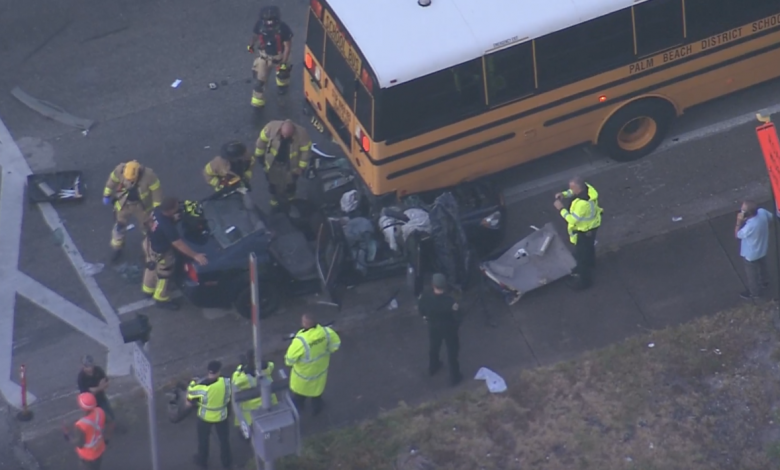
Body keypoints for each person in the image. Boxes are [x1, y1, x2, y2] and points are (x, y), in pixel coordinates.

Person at [142, 196, 208, 310]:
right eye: (176, 207)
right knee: (164, 273)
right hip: (162, 252)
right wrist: (195, 255)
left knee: (151, 267)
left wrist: (172, 219)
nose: (178, 208)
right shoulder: (167, 228)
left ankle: (148, 289)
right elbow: (179, 244)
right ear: (170, 210)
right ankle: (161, 298)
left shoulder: (156, 211)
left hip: (150, 244)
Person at [102, 160, 162, 262]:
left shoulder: (149, 176)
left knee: (147, 228)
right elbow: (111, 182)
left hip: (142, 207)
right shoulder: (120, 170)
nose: (129, 182)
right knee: (119, 227)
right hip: (123, 204)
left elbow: (157, 192)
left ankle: (148, 250)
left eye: (132, 180)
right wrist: (106, 194)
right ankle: (117, 248)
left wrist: (157, 208)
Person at [285, 313, 341, 416]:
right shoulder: (326, 332)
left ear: (305, 324)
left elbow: (289, 360)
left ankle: (298, 411)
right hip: (320, 373)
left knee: (299, 397)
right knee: (317, 395)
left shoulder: (300, 341)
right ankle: (317, 411)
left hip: (303, 378)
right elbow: (336, 344)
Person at [554, 176, 603, 290]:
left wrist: (561, 209)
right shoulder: (587, 188)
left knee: (581, 257)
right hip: (592, 227)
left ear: (579, 189)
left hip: (584, 231)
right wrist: (564, 194)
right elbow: (572, 191)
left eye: (572, 188)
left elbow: (572, 220)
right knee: (589, 248)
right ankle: (591, 263)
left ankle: (584, 281)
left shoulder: (582, 205)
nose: (570, 190)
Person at [255, 119, 312, 210]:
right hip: (273, 163)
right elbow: (261, 142)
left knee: (290, 183)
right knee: (272, 181)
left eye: (288, 135)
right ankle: (274, 198)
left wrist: (301, 167)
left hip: (291, 165)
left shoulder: (302, 134)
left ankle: (290, 199)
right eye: (284, 135)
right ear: (280, 129)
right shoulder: (270, 128)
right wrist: (260, 156)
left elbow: (305, 152)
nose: (285, 137)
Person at [418, 273, 463, 386]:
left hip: (433, 327)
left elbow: (421, 309)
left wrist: (425, 316)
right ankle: (455, 377)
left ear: (433, 285)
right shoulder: (450, 301)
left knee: (434, 347)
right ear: (445, 285)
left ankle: (433, 367)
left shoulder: (425, 296)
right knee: (452, 352)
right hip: (449, 329)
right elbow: (458, 315)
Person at [187, 361, 233, 470]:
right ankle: (227, 463)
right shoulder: (226, 383)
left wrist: (193, 383)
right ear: (218, 371)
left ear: (208, 372)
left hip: (205, 417)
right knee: (224, 441)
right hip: (221, 417)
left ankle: (202, 461)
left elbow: (190, 393)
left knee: (203, 441)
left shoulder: (203, 389)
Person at [247, 6, 293, 108]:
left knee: (283, 74)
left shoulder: (283, 28)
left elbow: (287, 46)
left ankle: (282, 86)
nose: (269, 23)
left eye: (272, 20)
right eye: (267, 20)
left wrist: (284, 63)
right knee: (259, 82)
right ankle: (258, 101)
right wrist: (250, 45)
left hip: (279, 56)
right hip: (264, 57)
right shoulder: (259, 25)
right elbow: (255, 36)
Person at [231, 349, 277, 433]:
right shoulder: (267, 369)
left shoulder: (241, 379)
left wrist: (240, 369)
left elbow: (235, 382)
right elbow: (270, 365)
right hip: (269, 405)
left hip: (251, 415)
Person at [735, 200, 773, 300]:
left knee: (751, 274)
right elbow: (770, 218)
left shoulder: (749, 227)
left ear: (748, 213)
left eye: (742, 210)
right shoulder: (762, 212)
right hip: (762, 248)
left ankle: (754, 292)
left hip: (750, 254)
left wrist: (738, 223)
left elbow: (737, 235)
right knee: (762, 265)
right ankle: (765, 281)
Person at [63, 392, 106, 470]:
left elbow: (80, 443)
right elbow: (108, 422)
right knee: (97, 466)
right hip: (99, 447)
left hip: (88, 455)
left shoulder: (81, 425)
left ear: (82, 407)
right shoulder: (99, 411)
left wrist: (67, 436)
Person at [76, 355, 115, 425]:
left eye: (91, 366)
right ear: (83, 367)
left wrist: (96, 389)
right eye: (87, 366)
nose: (90, 368)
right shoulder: (81, 377)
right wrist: (99, 388)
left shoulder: (98, 370)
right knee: (94, 421)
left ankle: (113, 426)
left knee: (110, 415)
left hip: (101, 398)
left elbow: (106, 382)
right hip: (90, 403)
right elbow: (87, 393)